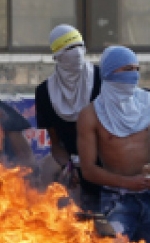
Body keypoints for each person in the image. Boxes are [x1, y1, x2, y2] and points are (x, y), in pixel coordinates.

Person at [78, 47, 150, 243]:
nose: (134, 74)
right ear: (110, 72)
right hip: (116, 199)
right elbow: (88, 170)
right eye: (127, 69)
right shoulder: (90, 115)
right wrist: (128, 183)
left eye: (137, 68)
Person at [35, 25, 104, 211]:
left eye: (79, 46)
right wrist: (71, 168)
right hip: (75, 175)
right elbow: (56, 144)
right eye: (69, 49)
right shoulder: (44, 93)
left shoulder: (102, 78)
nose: (77, 53)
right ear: (57, 56)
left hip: (109, 169)